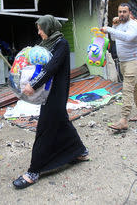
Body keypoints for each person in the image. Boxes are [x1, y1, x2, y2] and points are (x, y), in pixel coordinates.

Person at [13, 15, 88, 189]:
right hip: (47, 93)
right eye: (38, 29)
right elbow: (36, 62)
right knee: (61, 122)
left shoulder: (61, 43)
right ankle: (80, 151)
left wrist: (34, 84)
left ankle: (34, 170)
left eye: (41, 29)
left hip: (56, 93)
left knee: (45, 129)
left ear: (49, 28)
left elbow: (51, 67)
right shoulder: (45, 45)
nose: (39, 32)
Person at [101, 3, 137, 131]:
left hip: (134, 61)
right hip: (124, 62)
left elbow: (127, 38)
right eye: (120, 11)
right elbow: (115, 38)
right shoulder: (120, 25)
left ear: (130, 13)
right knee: (135, 87)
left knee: (127, 89)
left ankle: (124, 119)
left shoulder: (134, 25)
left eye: (124, 12)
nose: (121, 14)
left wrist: (109, 29)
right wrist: (114, 26)